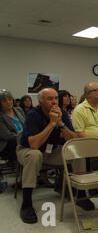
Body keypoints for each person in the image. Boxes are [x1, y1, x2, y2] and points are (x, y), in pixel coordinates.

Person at [17, 88, 93, 224]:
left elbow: (73, 139)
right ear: (40, 101)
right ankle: (27, 203)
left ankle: (80, 194)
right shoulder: (33, 114)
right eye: (49, 99)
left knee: (76, 150)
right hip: (27, 150)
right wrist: (52, 124)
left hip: (50, 152)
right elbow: (34, 144)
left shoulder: (62, 113)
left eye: (56, 98)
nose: (54, 102)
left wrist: (61, 124)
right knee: (34, 155)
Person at [72, 82, 98, 181]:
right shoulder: (79, 110)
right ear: (88, 94)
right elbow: (79, 133)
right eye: (96, 90)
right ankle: (91, 181)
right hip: (87, 145)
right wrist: (97, 144)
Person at [0, 90, 25, 162]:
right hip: (8, 144)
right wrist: (24, 137)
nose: (8, 102)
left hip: (24, 139)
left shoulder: (19, 110)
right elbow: (7, 135)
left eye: (10, 99)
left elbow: (26, 125)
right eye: (4, 101)